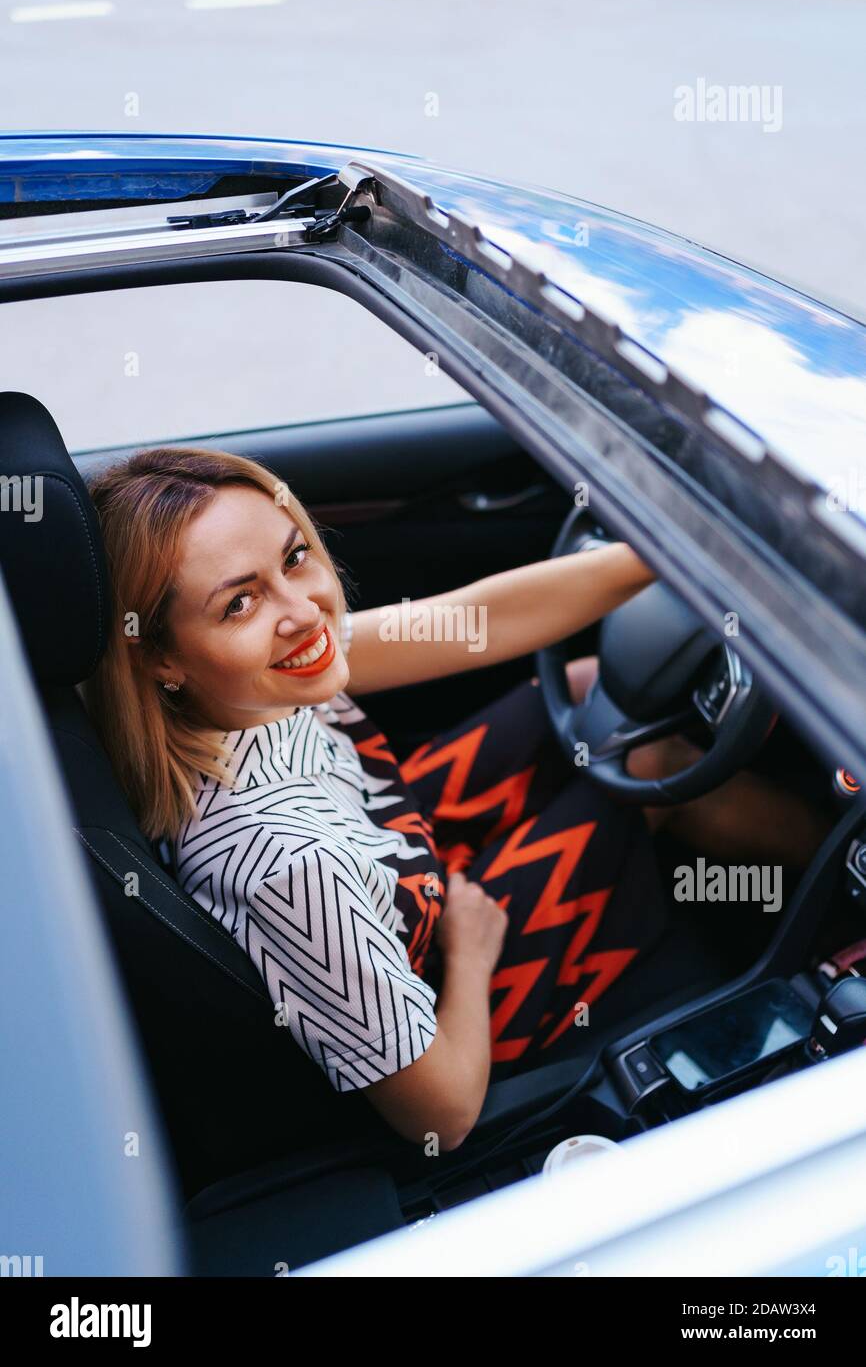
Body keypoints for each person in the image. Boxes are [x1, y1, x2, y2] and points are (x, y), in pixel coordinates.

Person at [83, 446, 830, 1152]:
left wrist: (686, 560)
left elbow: (482, 620)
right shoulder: (286, 866)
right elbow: (440, 1111)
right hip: (449, 995)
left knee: (582, 689)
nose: (304, 611)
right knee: (651, 766)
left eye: (294, 556)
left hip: (397, 857)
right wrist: (471, 953)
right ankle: (844, 881)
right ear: (160, 660)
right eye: (239, 604)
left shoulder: (257, 685)